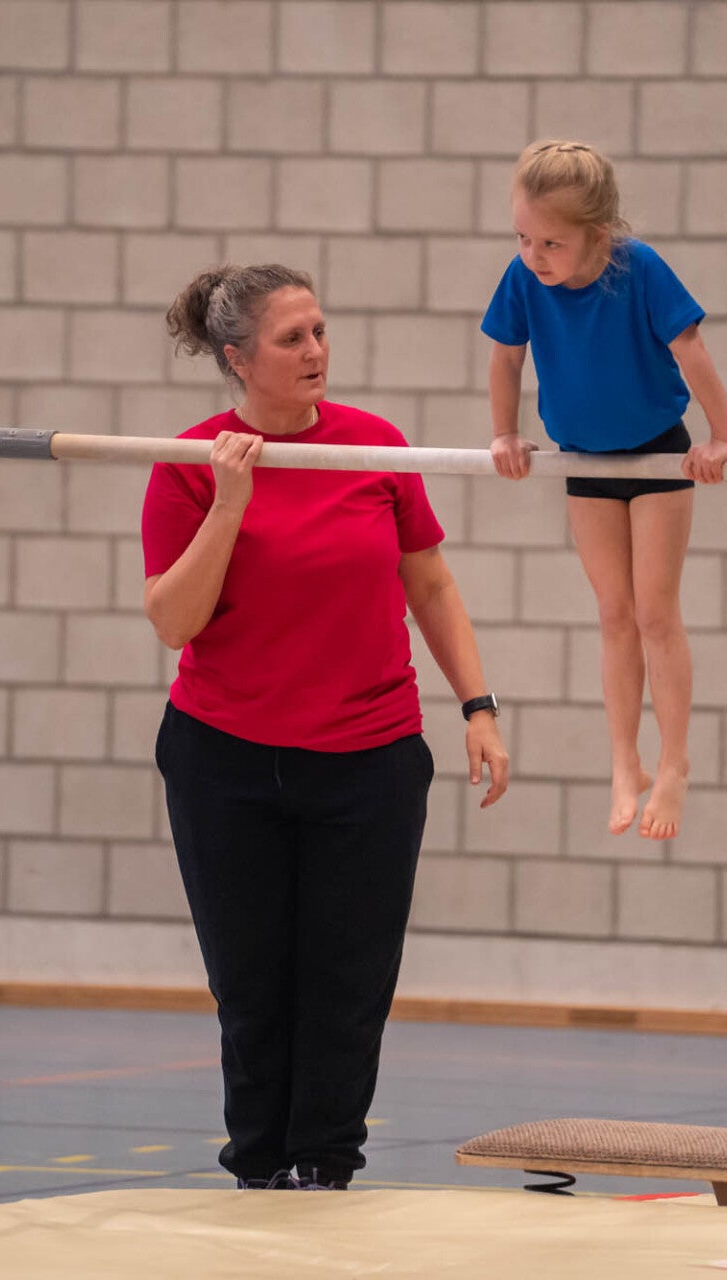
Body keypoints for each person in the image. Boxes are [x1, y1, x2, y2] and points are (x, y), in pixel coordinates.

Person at [143, 263, 511, 1191]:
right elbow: (174, 621)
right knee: (251, 983)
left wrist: (477, 706)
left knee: (348, 983)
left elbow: (430, 584)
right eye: (291, 338)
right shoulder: (188, 461)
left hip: (368, 759)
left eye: (319, 331)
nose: (315, 351)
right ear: (237, 358)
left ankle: (324, 1164)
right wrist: (230, 503)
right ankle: (258, 1165)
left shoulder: (373, 447)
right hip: (226, 760)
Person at [482, 139, 727, 841]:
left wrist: (721, 437)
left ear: (597, 234)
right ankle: (625, 761)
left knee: (655, 613)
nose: (534, 255)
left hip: (657, 457)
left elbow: (692, 351)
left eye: (551, 243)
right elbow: (506, 360)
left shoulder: (639, 267)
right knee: (613, 614)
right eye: (523, 238)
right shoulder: (523, 278)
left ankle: (674, 762)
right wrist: (504, 434)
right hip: (585, 461)